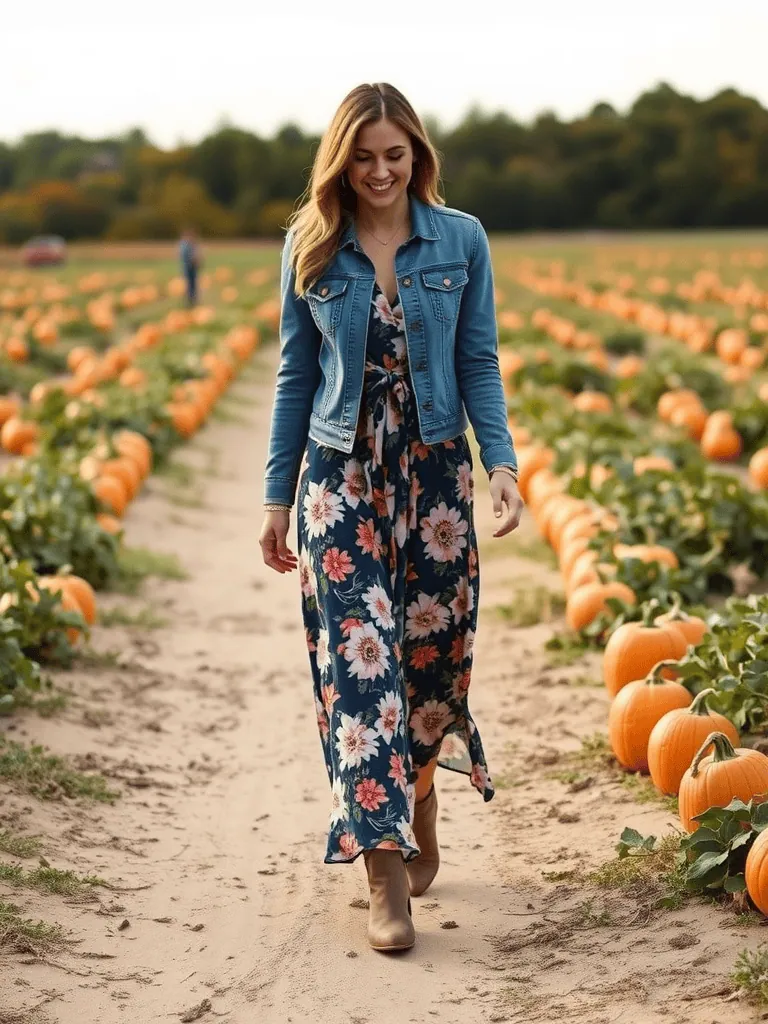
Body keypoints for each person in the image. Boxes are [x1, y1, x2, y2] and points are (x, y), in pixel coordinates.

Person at [259, 82, 523, 954]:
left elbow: (477, 359)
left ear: (417, 155)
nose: (379, 172)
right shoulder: (310, 245)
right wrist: (276, 497)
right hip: (341, 477)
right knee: (362, 666)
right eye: (362, 157)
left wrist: (503, 468)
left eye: (394, 155)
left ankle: (418, 796)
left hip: (436, 473)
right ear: (341, 161)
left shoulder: (462, 239)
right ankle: (382, 872)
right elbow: (297, 378)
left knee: (428, 659)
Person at [179, 228, 200, 307]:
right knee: (189, 284)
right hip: (188, 267)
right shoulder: (184, 245)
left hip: (192, 268)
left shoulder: (191, 244)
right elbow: (187, 257)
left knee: (193, 284)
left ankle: (192, 299)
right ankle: (189, 300)